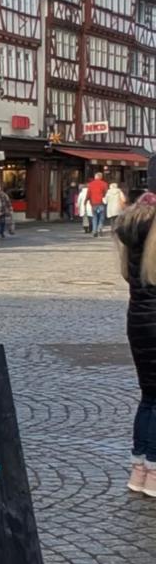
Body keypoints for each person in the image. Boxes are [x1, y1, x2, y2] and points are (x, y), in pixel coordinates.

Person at [117, 156, 156, 498]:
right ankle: (154, 473)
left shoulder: (135, 221)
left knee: (149, 397)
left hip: (139, 320)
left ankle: (139, 469)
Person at [86, 169, 109, 237]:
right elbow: (106, 193)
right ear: (101, 177)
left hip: (93, 203)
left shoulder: (90, 184)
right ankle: (99, 228)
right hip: (101, 202)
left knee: (94, 217)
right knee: (101, 217)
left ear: (95, 177)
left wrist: (86, 201)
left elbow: (88, 194)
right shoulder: (104, 184)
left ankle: (94, 230)